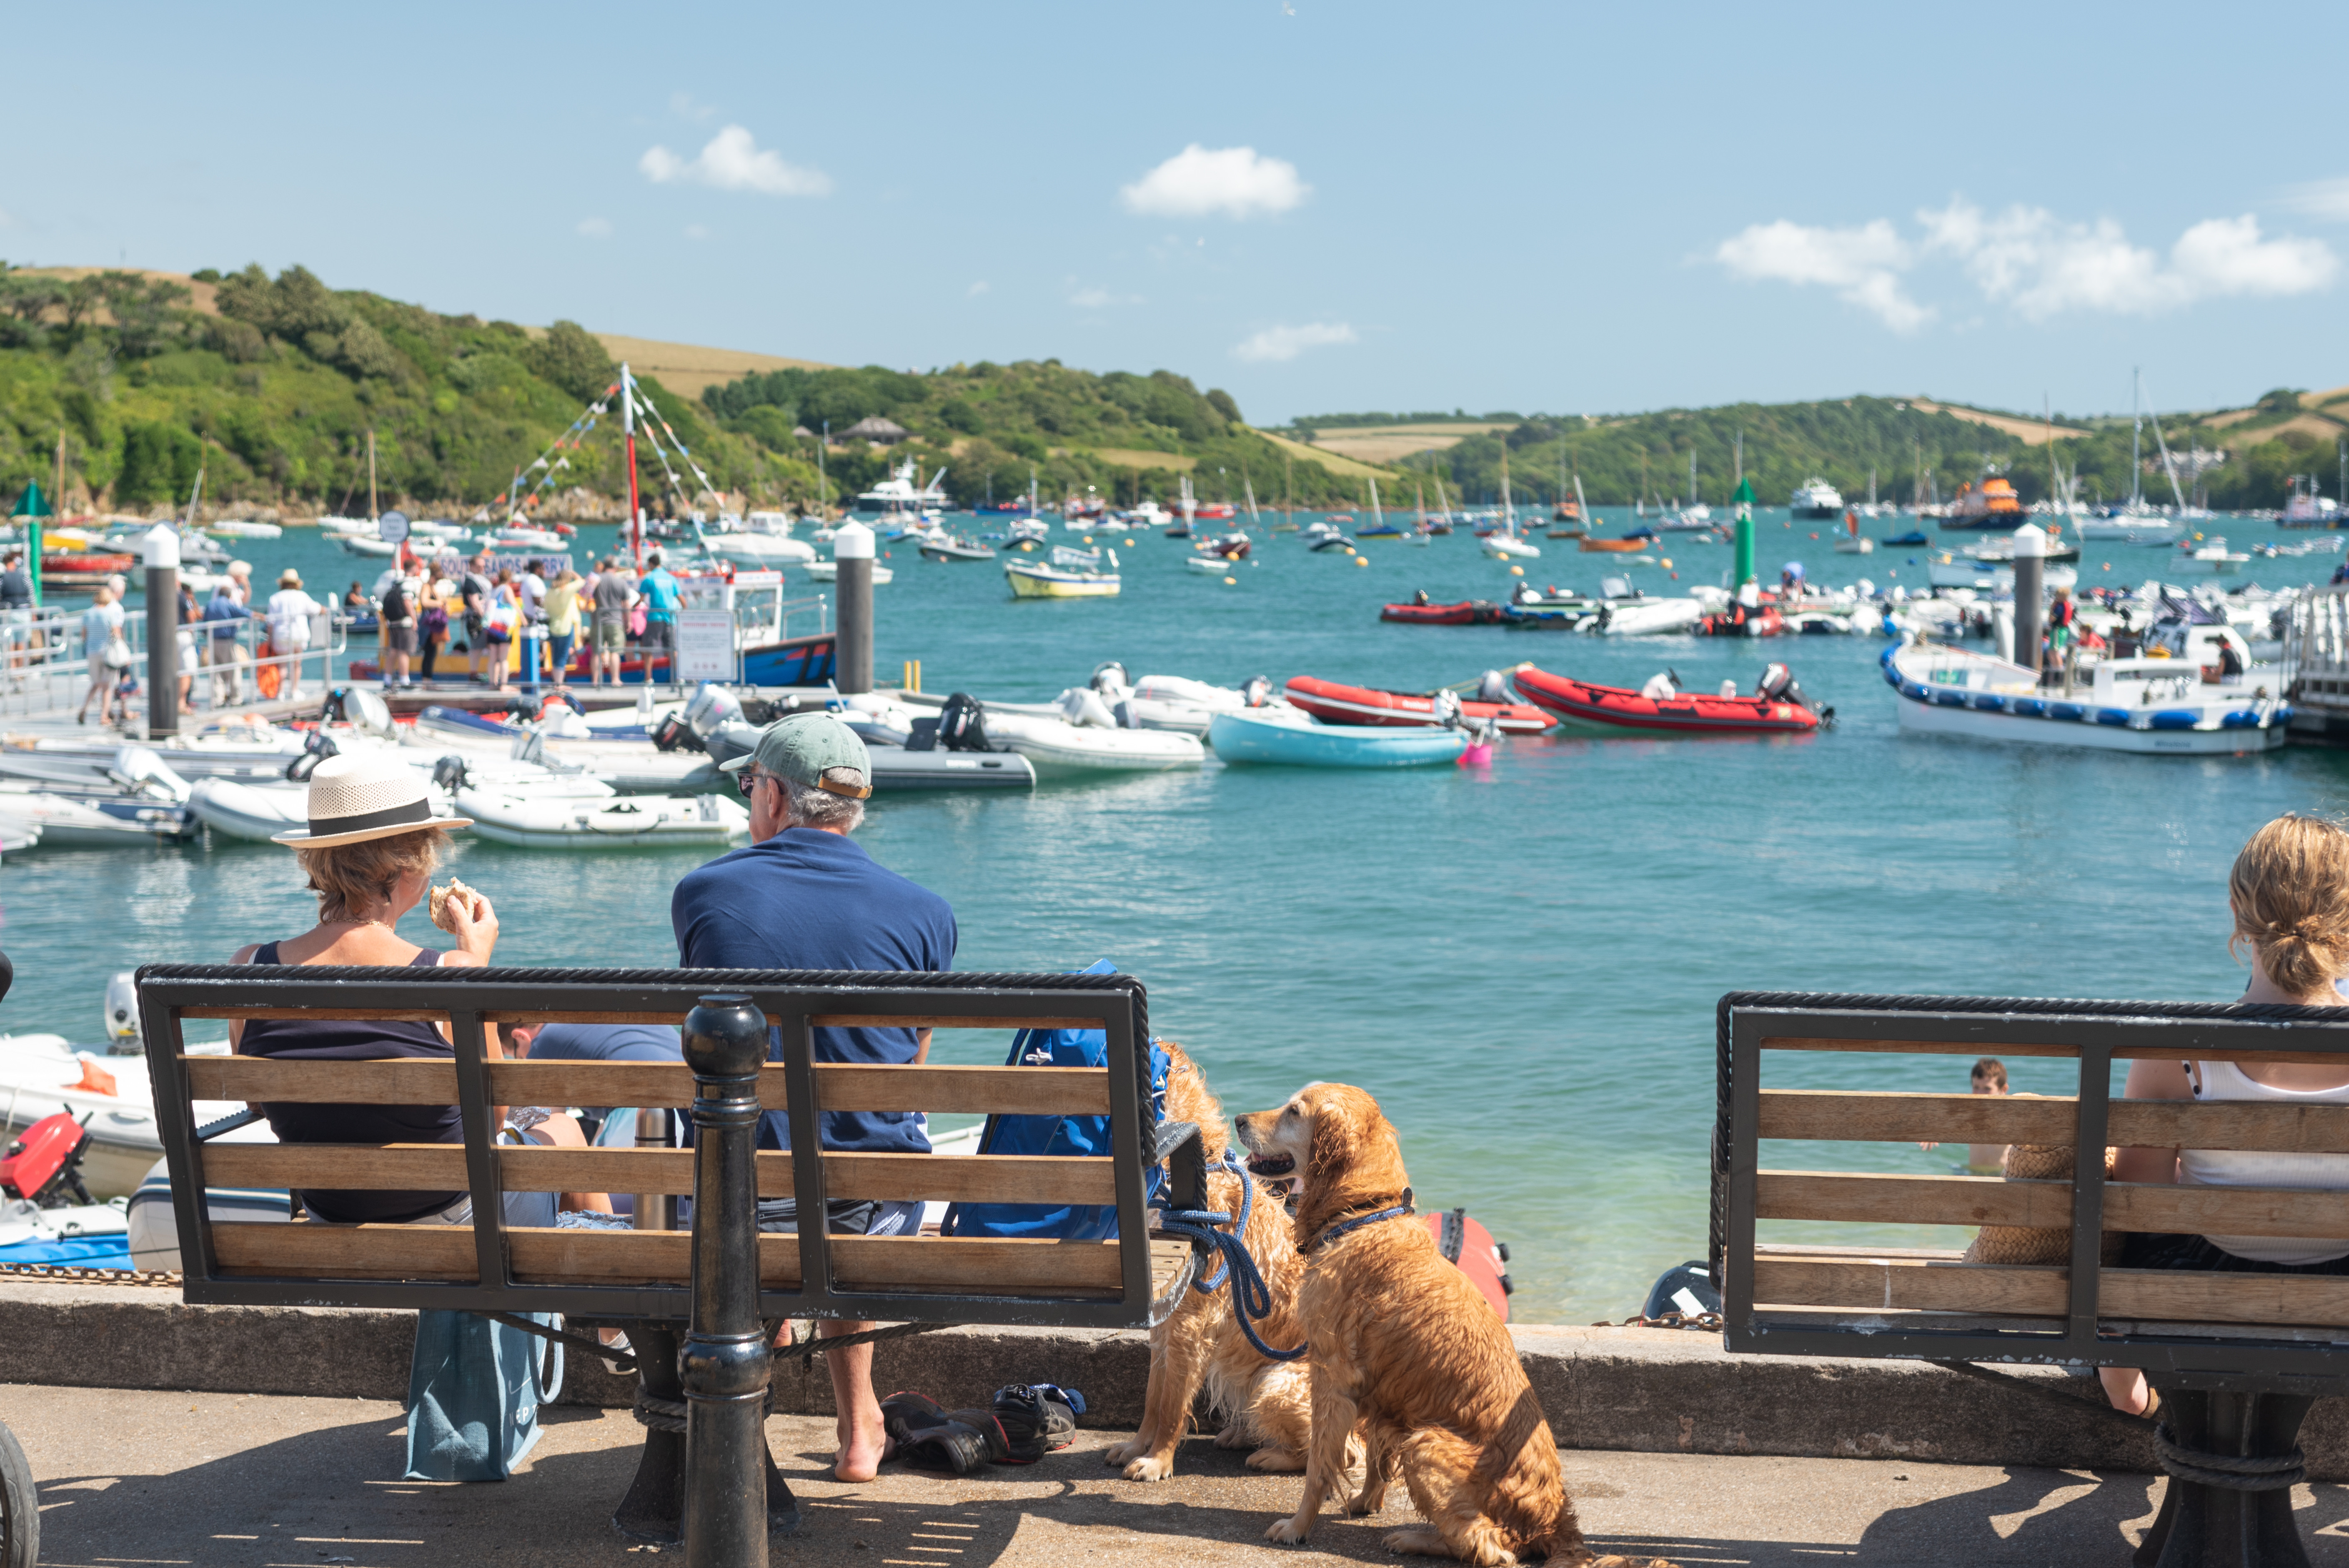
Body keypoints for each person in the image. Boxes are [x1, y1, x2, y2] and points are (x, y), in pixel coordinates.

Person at [674, 714, 956, 1482]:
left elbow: (706, 1047)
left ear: (771, 794)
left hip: (739, 1204)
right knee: (852, 1167)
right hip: (872, 1210)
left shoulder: (703, 893)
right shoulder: (926, 912)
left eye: (747, 785)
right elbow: (911, 1070)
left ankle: (752, 1389)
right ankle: (861, 1425)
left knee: (752, 1170)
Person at [230, 751, 608, 1224]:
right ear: (408, 866)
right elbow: (487, 1125)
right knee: (566, 1134)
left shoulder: (248, 968)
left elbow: (257, 1101)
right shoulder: (451, 972)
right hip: (455, 1220)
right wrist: (476, 967)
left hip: (330, 1214)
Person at [2099, 815, 2349, 1417]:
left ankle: (2131, 1392)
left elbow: (2141, 1208)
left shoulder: (2177, 1051)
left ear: (2240, 915)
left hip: (2204, 1284)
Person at [1918, 1058, 2010, 1173]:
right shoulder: (1970, 1114)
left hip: (2001, 1174)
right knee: (1953, 1169)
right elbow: (1949, 1119)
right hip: (1975, 1173)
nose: (1980, 1094)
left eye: (1987, 1089)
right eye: (1976, 1088)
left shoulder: (2008, 1116)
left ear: (2003, 1090)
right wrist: (1933, 1131)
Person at [266, 569, 323, 703]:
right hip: (299, 633)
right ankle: (294, 691)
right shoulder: (302, 596)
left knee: (282, 665)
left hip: (282, 634)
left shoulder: (275, 597)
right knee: (297, 663)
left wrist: (270, 638)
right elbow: (315, 609)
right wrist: (323, 608)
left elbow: (270, 621)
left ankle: (280, 692)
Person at [75, 585, 127, 726]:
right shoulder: (109, 614)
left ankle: (84, 708)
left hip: (92, 652)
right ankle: (104, 716)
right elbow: (117, 633)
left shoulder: (88, 613)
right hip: (107, 652)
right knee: (107, 686)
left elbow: (84, 635)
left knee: (96, 684)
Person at [203, 581, 253, 705]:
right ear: (229, 595)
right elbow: (245, 613)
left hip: (212, 641)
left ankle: (218, 700)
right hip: (226, 641)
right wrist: (259, 616)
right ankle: (236, 699)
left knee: (217, 672)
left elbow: (204, 624)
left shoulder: (210, 604)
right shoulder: (228, 604)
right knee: (234, 670)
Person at [638, 551, 681, 685]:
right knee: (671, 649)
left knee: (648, 649)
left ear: (651, 564)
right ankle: (679, 678)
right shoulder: (671, 578)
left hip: (655, 618)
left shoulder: (650, 578)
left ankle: (648, 679)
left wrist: (632, 608)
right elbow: (682, 600)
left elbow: (641, 598)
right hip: (670, 618)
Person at [591, 557, 634, 686]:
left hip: (597, 621)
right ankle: (615, 679)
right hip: (615, 621)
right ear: (616, 568)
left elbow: (585, 596)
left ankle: (595, 681)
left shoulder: (596, 580)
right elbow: (627, 604)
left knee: (596, 653)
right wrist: (629, 621)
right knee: (615, 652)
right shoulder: (620, 582)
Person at [541, 568, 583, 688]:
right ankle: (559, 684)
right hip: (565, 628)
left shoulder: (550, 592)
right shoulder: (565, 591)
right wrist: (573, 572)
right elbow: (581, 581)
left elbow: (546, 608)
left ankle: (556, 682)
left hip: (553, 627)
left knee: (556, 658)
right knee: (562, 657)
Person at [380, 566, 417, 688]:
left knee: (393, 651)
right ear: (414, 568)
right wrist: (414, 619)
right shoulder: (408, 584)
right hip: (404, 623)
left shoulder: (396, 583)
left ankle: (387, 679)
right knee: (404, 652)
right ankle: (404, 680)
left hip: (392, 622)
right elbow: (407, 602)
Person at [0, 551, 33, 681]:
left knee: (10, 643)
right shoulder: (25, 578)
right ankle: (21, 672)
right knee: (22, 643)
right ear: (14, 563)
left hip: (8, 614)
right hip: (24, 613)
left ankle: (12, 671)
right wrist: (34, 614)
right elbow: (32, 597)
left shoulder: (2, 580)